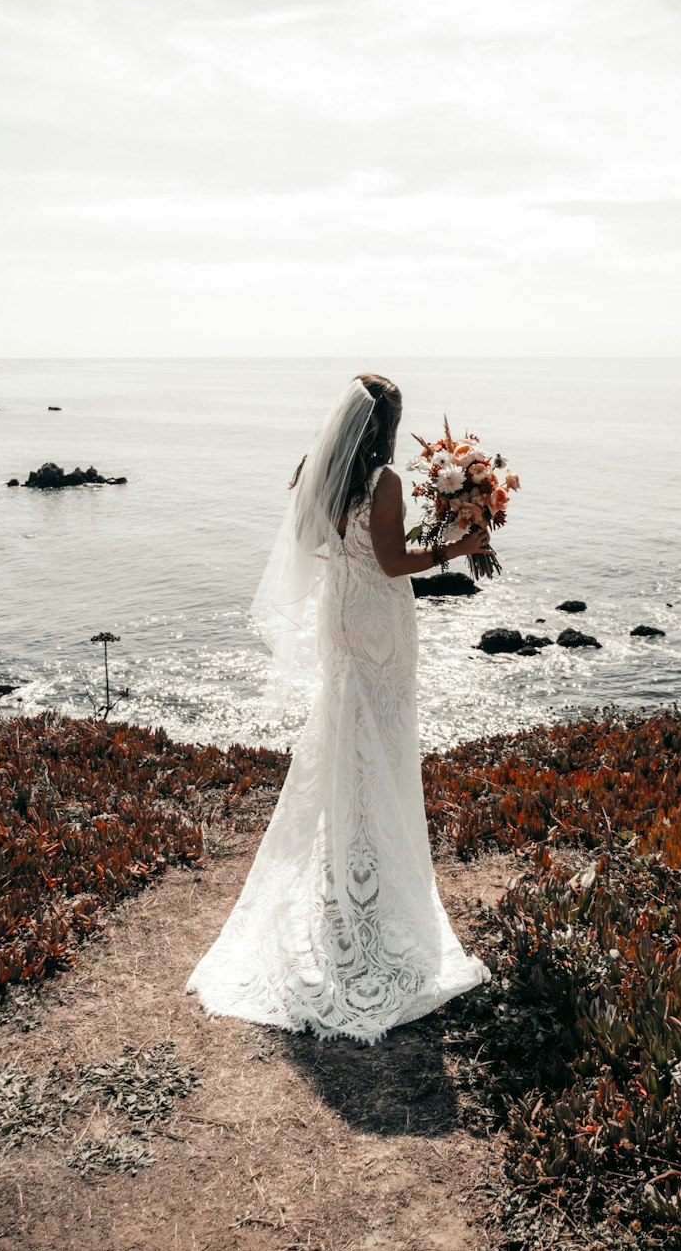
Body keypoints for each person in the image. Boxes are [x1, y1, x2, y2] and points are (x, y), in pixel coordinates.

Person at [186, 373, 492, 1044]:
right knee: (379, 741)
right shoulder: (382, 483)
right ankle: (371, 889)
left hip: (340, 617)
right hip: (379, 622)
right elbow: (390, 561)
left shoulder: (317, 472)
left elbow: (328, 547)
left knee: (347, 736)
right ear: (386, 425)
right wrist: (457, 548)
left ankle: (347, 875)